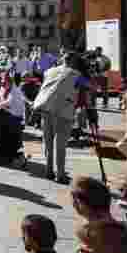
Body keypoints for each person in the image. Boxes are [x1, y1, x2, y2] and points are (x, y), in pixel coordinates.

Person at [33, 53, 81, 184]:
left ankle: (48, 171)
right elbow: (85, 87)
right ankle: (60, 174)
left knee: (48, 142)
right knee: (60, 143)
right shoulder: (74, 73)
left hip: (46, 108)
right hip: (63, 110)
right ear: (74, 61)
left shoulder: (49, 71)